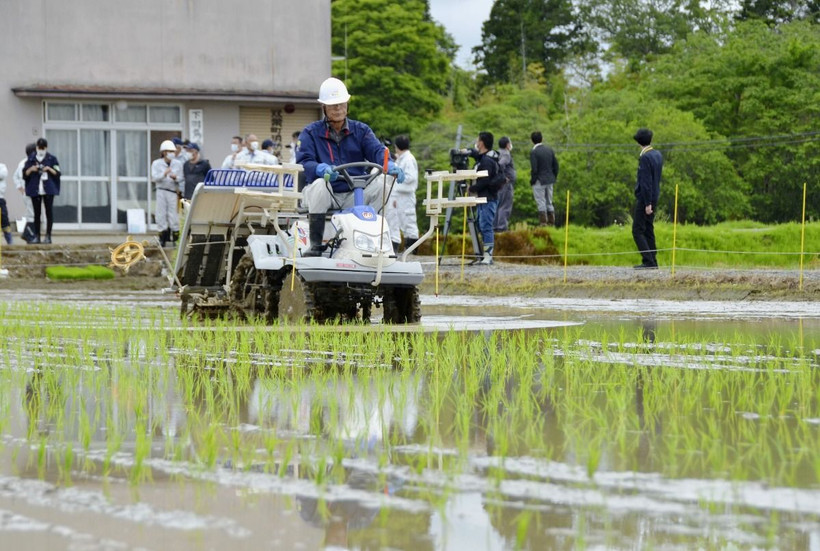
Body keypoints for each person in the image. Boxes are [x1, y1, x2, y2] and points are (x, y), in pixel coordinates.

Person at [296, 77, 404, 257]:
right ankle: (315, 245)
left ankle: (374, 239)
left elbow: (377, 150)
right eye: (333, 105)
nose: (338, 109)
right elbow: (304, 161)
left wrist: (389, 164)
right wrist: (319, 169)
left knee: (382, 184)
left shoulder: (361, 130)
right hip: (323, 195)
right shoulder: (310, 132)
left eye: (341, 104)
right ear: (324, 107)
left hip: (353, 195)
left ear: (347, 104)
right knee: (320, 185)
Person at [466, 131, 500, 265]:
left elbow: (485, 181)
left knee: (486, 226)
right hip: (482, 198)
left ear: (481, 143)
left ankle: (488, 256)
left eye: (478, 140)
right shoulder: (484, 159)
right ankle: (484, 254)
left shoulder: (487, 161)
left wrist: (471, 188)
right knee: (481, 225)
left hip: (488, 198)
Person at [632, 128, 663, 269]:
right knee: (648, 229)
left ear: (638, 142)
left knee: (637, 230)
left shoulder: (645, 157)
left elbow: (646, 183)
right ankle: (653, 260)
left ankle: (648, 261)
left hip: (646, 199)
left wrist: (647, 203)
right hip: (655, 196)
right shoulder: (657, 154)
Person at [384, 135, 419, 253]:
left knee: (409, 220)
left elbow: (410, 178)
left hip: (406, 194)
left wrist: (398, 181)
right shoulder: (402, 158)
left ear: (396, 146)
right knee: (400, 220)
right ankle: (407, 248)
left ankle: (413, 249)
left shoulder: (408, 159)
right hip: (399, 195)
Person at [23, 138, 61, 244]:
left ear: (46, 148)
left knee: (49, 213)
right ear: (36, 147)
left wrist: (48, 169)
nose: (41, 149)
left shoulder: (51, 158)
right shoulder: (31, 159)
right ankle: (37, 236)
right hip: (35, 189)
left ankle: (48, 236)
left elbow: (58, 173)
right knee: (37, 213)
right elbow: (24, 174)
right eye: (39, 147)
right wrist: (32, 169)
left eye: (42, 148)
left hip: (48, 189)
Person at [151, 140, 184, 247]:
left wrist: (176, 178)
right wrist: (164, 174)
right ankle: (162, 237)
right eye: (169, 151)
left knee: (173, 215)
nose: (172, 153)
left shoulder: (178, 164)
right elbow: (154, 178)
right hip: (161, 190)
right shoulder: (156, 163)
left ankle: (175, 237)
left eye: (172, 151)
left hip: (172, 191)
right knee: (161, 214)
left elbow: (181, 177)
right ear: (164, 152)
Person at [529, 131, 559, 226]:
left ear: (532, 141)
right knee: (549, 201)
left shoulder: (534, 152)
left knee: (541, 201)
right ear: (542, 139)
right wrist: (554, 176)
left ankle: (543, 222)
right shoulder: (549, 150)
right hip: (550, 179)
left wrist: (533, 180)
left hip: (539, 180)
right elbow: (556, 165)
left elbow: (534, 169)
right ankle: (551, 222)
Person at [13, 143, 36, 243]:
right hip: (29, 192)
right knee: (32, 214)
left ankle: (29, 234)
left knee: (32, 213)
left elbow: (15, 177)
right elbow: (17, 177)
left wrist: (20, 188)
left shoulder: (23, 162)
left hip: (30, 192)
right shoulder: (26, 163)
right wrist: (21, 188)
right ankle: (28, 235)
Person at [494, 136, 516, 232]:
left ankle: (495, 226)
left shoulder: (496, 153)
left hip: (498, 184)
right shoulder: (506, 154)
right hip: (505, 184)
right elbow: (501, 164)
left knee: (497, 204)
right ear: (507, 145)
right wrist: (503, 177)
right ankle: (502, 227)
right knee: (505, 205)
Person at [0, 161, 10, 244]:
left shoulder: (2, 166)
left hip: (0, 198)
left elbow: (2, 175)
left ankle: (9, 241)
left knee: (4, 219)